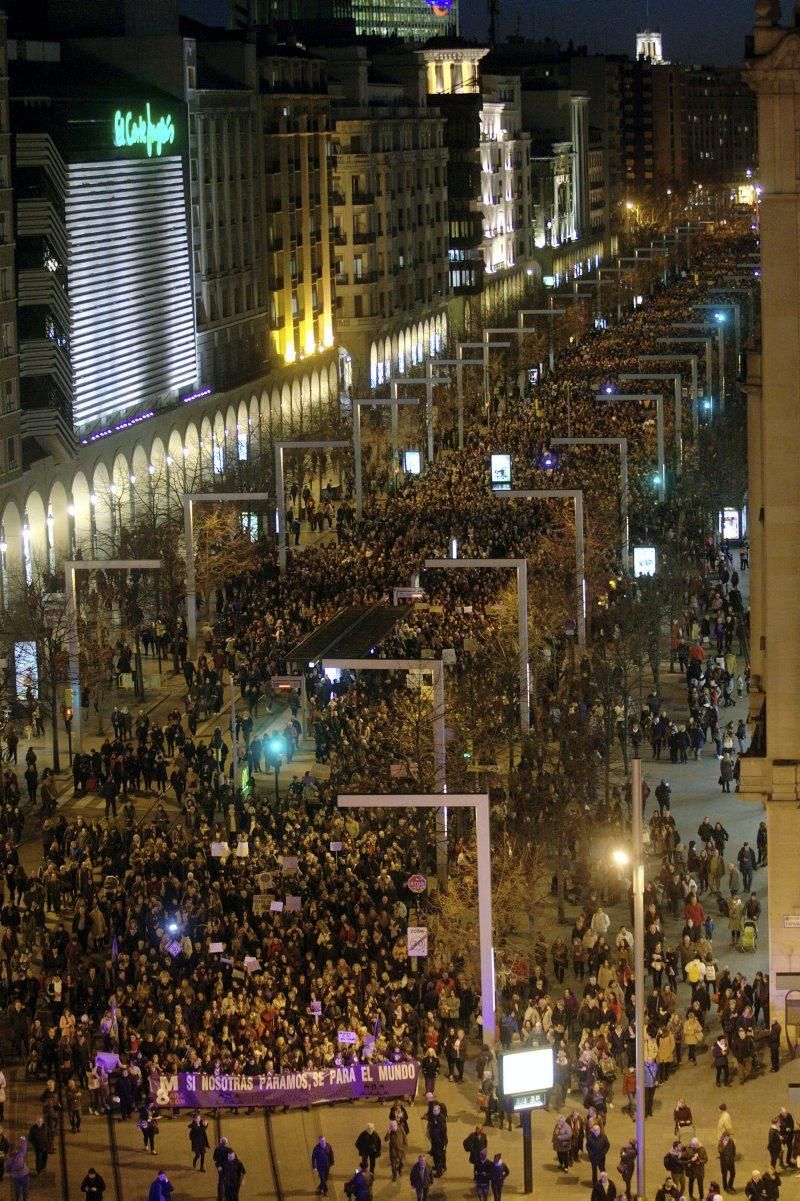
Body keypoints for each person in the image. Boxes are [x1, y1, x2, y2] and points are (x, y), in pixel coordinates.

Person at [7, 1136, 29, 1201]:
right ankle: (24, 1199)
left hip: (16, 1176)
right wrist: (23, 1139)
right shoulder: (19, 1154)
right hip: (23, 1174)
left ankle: (18, 1199)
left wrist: (11, 1172)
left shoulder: (9, 1158)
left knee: (17, 1190)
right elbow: (24, 1148)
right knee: (24, 1189)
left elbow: (7, 1168)